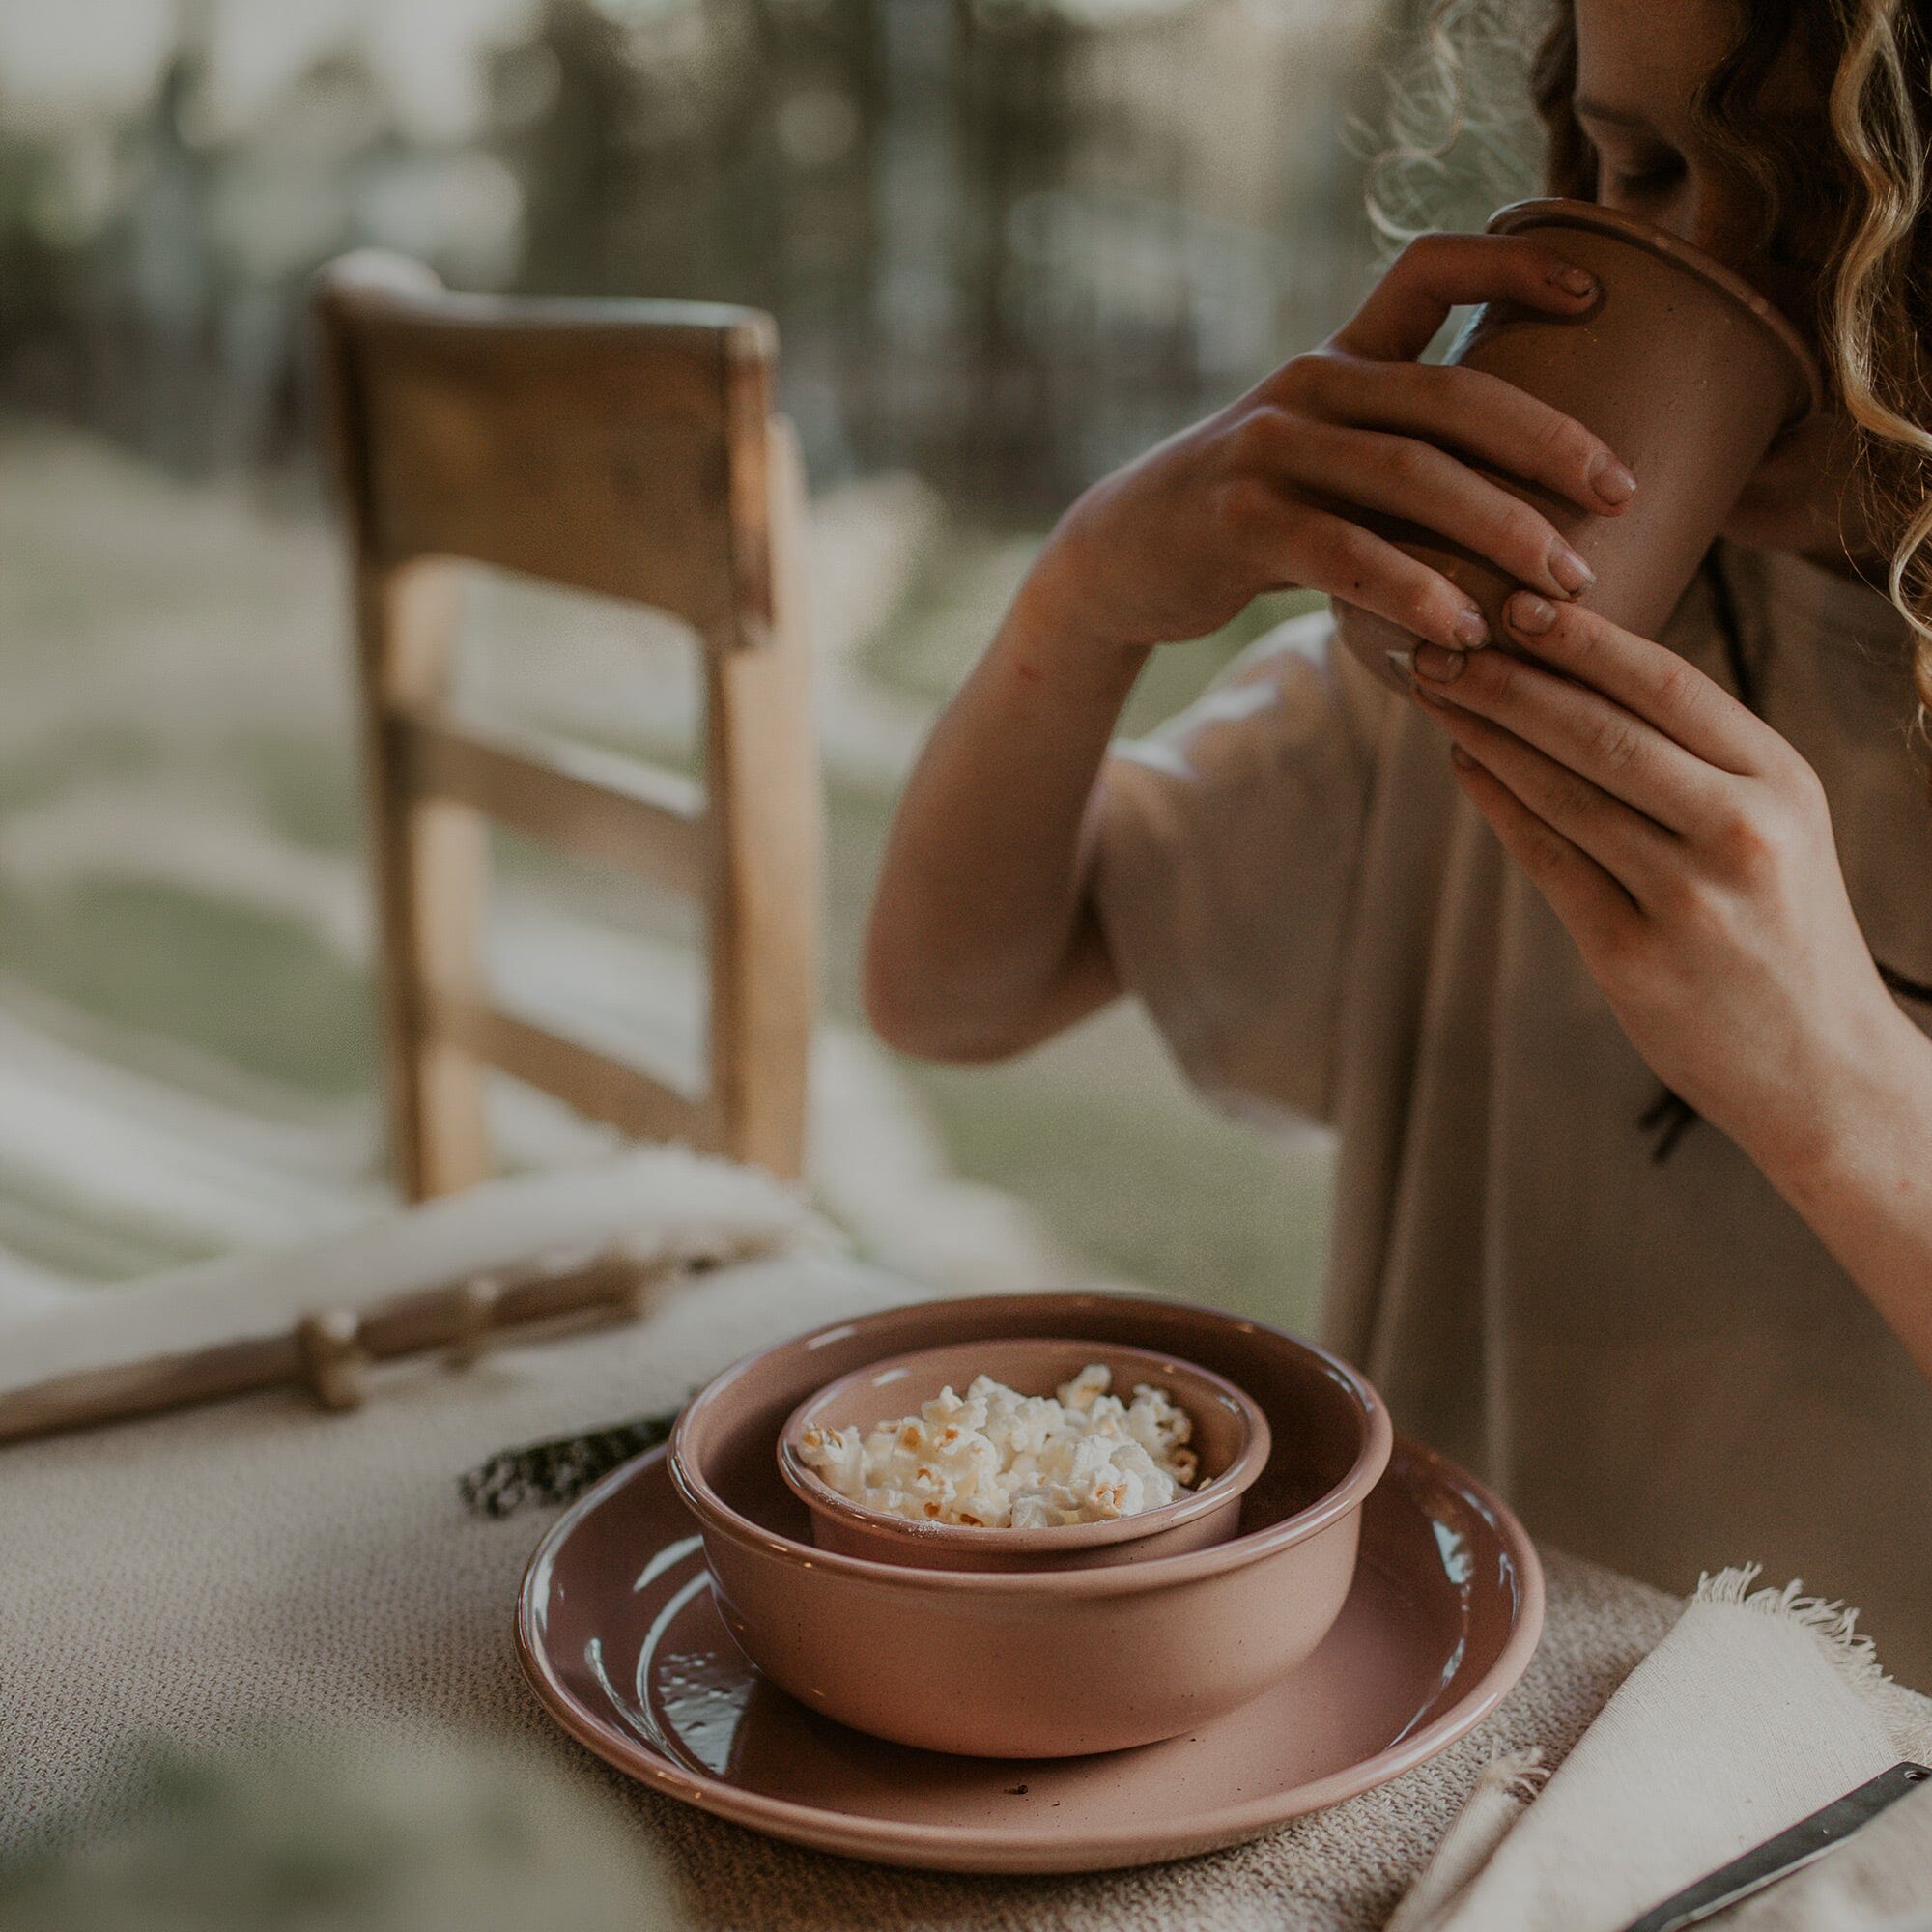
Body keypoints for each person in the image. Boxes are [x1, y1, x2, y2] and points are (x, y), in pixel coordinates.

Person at [865, 0, 1932, 1685]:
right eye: (1636, 165)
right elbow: (959, 990)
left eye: (1821, 201)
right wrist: (1086, 601)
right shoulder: (1490, 643)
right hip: (1435, 1734)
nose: (1702, 261)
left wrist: (1843, 1085)